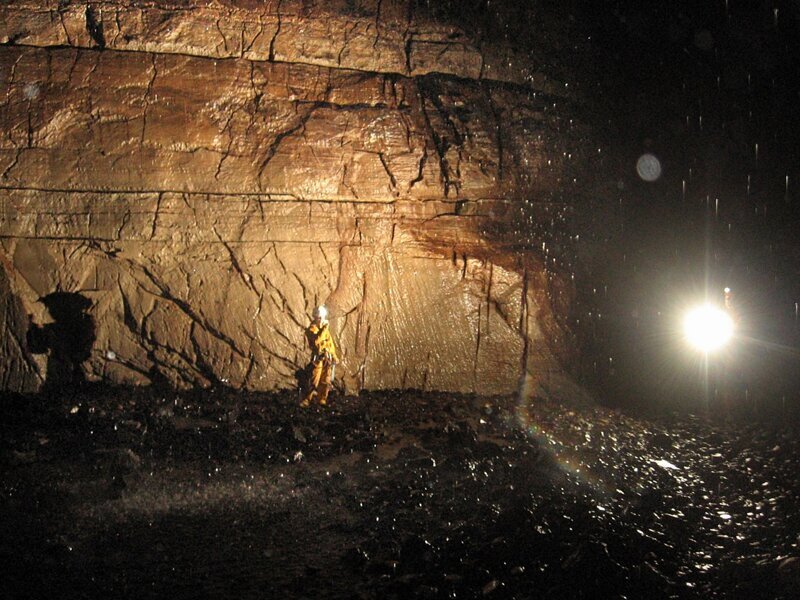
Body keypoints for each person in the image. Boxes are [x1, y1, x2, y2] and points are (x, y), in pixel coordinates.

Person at [300, 305, 339, 407]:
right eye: (319, 317)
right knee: (314, 379)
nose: (321, 319)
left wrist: (334, 356)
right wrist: (325, 329)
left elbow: (330, 344)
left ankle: (322, 399)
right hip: (318, 358)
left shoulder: (324, 330)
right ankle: (306, 400)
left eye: (322, 317)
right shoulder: (311, 330)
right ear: (315, 317)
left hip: (327, 357)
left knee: (325, 380)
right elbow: (317, 342)